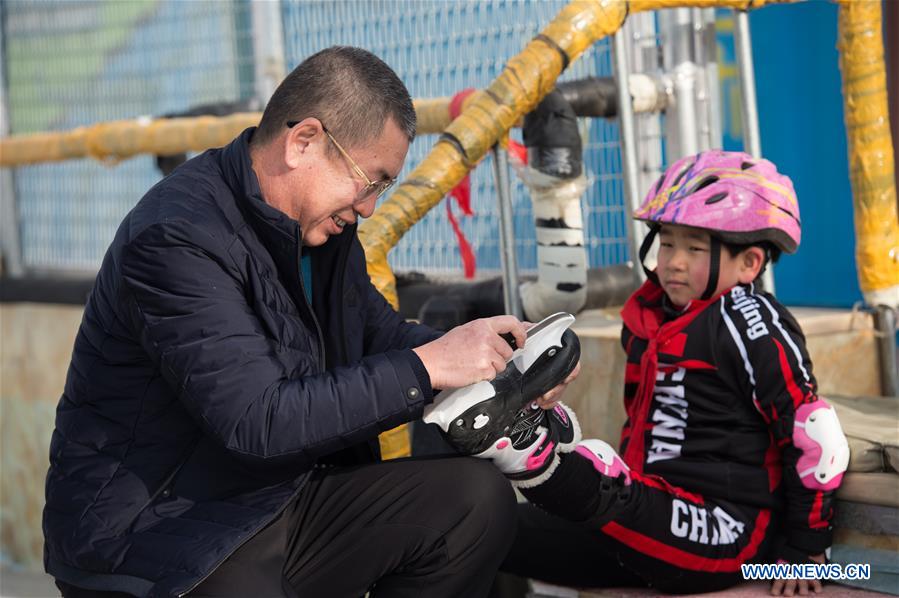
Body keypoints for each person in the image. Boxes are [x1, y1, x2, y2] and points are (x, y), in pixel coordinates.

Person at [42, 46, 579, 598]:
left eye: (384, 188)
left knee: (474, 502)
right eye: (372, 180)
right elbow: (257, 423)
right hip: (154, 535)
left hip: (274, 500)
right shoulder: (176, 238)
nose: (370, 207)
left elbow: (375, 335)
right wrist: (429, 366)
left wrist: (490, 365)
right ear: (304, 142)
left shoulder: (323, 231)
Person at [441, 150, 850, 596]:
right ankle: (533, 441)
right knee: (482, 531)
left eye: (694, 248)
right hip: (649, 520)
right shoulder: (654, 314)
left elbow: (815, 435)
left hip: (733, 537)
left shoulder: (750, 321)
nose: (673, 260)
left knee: (602, 478)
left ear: (749, 264)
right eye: (668, 242)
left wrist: (808, 550)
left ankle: (524, 445)